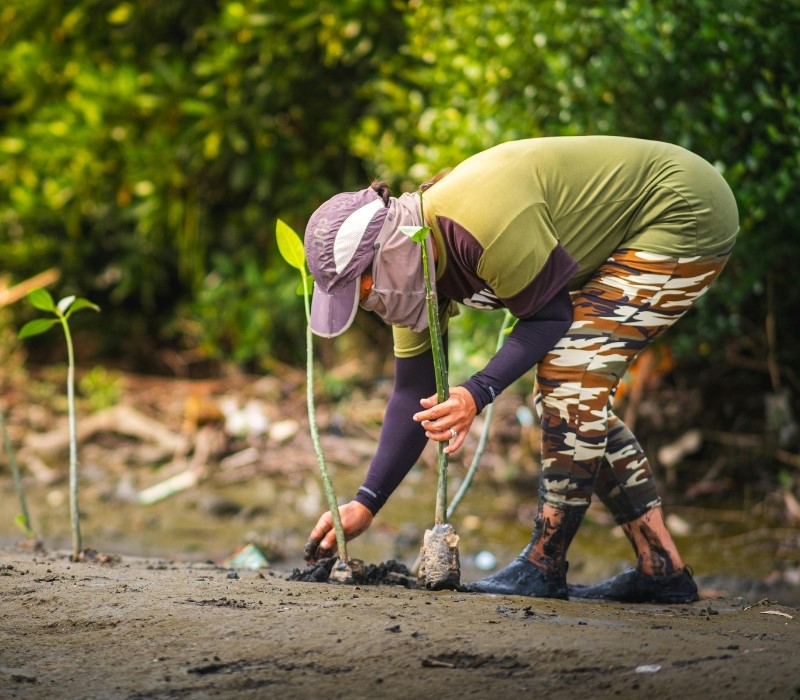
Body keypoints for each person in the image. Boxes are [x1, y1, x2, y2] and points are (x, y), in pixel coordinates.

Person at [302, 135, 738, 603]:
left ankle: (544, 565)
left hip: (682, 207)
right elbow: (413, 393)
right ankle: (661, 571)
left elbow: (551, 317)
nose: (367, 306)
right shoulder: (413, 276)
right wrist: (366, 504)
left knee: (570, 376)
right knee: (569, 388)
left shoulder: (477, 222)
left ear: (384, 255)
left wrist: (476, 392)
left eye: (361, 293)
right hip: (633, 230)